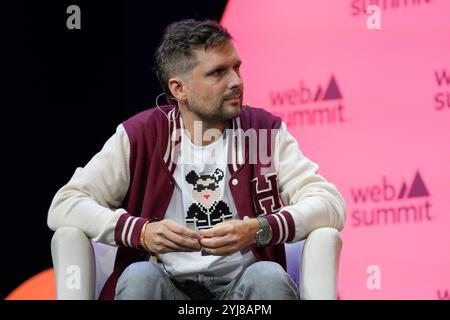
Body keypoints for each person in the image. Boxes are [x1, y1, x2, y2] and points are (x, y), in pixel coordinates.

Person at [47, 19, 346, 300]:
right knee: (139, 277)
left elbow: (330, 204)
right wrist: (142, 232)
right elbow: (65, 204)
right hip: (165, 283)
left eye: (236, 68)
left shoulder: (264, 132)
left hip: (241, 289)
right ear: (179, 89)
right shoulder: (141, 134)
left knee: (268, 276)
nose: (235, 82)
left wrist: (259, 228)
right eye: (218, 73)